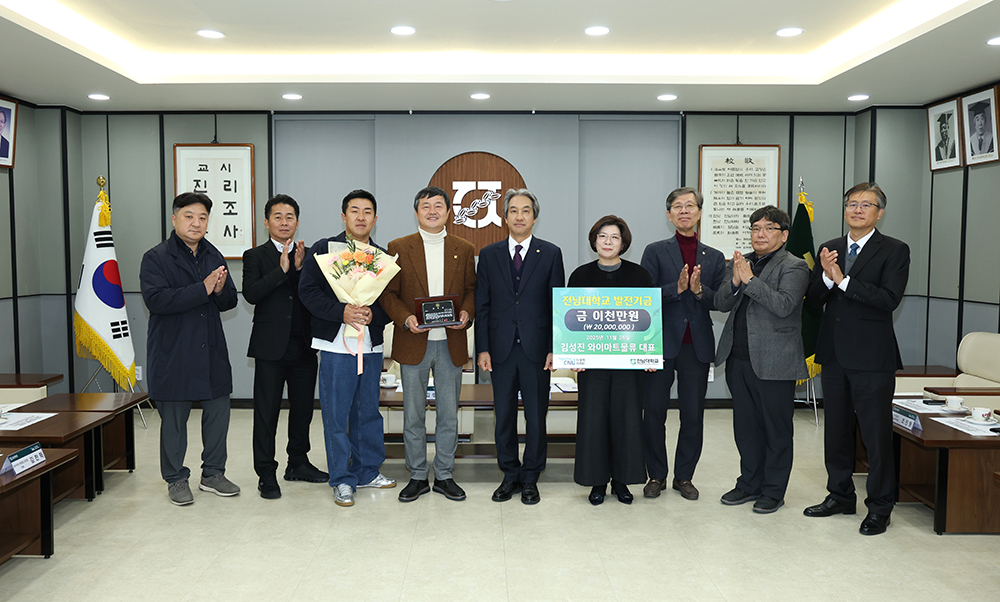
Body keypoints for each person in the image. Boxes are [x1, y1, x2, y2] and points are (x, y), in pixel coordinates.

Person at [803, 182, 910, 536]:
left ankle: (880, 507)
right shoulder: (830, 247)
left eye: (866, 205)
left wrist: (843, 280)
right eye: (852, 204)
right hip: (833, 355)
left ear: (880, 212)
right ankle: (840, 495)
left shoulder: (894, 250)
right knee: (836, 432)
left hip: (872, 358)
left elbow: (888, 299)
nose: (857, 210)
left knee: (876, 436)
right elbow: (813, 300)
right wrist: (826, 277)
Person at [140, 192, 240, 506]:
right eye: (189, 216)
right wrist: (203, 288)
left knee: (218, 413)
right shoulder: (155, 257)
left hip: (210, 349)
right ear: (174, 219)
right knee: (174, 421)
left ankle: (213, 473)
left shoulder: (213, 254)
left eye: (202, 217)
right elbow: (157, 300)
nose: (196, 223)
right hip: (174, 351)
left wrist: (220, 290)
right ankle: (175, 478)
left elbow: (230, 300)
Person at [298, 189, 395, 507]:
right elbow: (308, 292)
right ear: (343, 216)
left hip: (370, 347)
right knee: (337, 415)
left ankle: (367, 471)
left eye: (367, 212)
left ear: (375, 219)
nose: (361, 217)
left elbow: (391, 301)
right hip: (336, 347)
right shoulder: (324, 250)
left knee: (368, 413)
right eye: (354, 211)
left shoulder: (382, 257)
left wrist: (373, 315)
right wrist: (341, 312)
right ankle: (341, 478)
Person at [380, 186, 476, 503]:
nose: (432, 211)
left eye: (438, 206)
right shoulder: (398, 247)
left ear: (449, 212)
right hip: (413, 342)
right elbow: (388, 294)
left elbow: (472, 290)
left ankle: (445, 475)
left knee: (448, 415)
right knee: (413, 416)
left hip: (451, 343)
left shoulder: (464, 248)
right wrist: (405, 317)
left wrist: (467, 313)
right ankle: (418, 475)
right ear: (416, 212)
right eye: (425, 206)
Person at [714, 206, 809, 514]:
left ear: (784, 235)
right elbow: (720, 303)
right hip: (738, 359)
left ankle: (773, 490)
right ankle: (749, 483)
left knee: (776, 430)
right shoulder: (740, 263)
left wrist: (750, 280)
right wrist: (735, 282)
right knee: (746, 429)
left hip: (775, 362)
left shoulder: (794, 266)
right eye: (755, 228)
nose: (760, 234)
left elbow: (784, 305)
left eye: (768, 228)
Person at [475, 189, 565, 505]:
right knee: (503, 416)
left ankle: (530, 477)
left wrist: (554, 347)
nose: (519, 216)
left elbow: (557, 305)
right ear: (505, 216)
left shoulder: (550, 253)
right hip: (500, 349)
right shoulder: (489, 254)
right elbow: (482, 305)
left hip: (536, 350)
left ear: (534, 217)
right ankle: (510, 474)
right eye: (513, 210)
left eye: (526, 210)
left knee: (536, 417)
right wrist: (482, 349)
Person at [640, 187, 725, 501]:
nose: (684, 211)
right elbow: (644, 297)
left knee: (692, 415)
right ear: (669, 214)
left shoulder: (714, 257)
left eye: (690, 206)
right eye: (678, 206)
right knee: (654, 413)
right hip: (659, 344)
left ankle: (684, 476)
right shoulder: (654, 251)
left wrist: (700, 291)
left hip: (697, 345)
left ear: (700, 213)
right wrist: (674, 289)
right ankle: (656, 475)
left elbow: (720, 301)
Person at [243, 194, 326, 500]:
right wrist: (281, 270)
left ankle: (298, 462)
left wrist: (300, 269)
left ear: (297, 222)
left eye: (289, 217)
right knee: (266, 413)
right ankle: (266, 473)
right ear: (266, 222)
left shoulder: (310, 255)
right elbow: (251, 294)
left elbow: (315, 295)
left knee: (303, 410)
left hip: (304, 345)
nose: (284, 222)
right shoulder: (255, 255)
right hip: (270, 347)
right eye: (277, 217)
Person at [570, 215, 652, 505]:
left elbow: (649, 320)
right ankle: (597, 482)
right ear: (594, 241)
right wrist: (574, 354)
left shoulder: (639, 276)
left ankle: (621, 481)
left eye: (614, 237)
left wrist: (649, 354)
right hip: (592, 366)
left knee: (626, 421)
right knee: (593, 422)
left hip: (628, 367)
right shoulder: (580, 276)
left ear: (623, 243)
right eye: (602, 236)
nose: (608, 242)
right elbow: (571, 322)